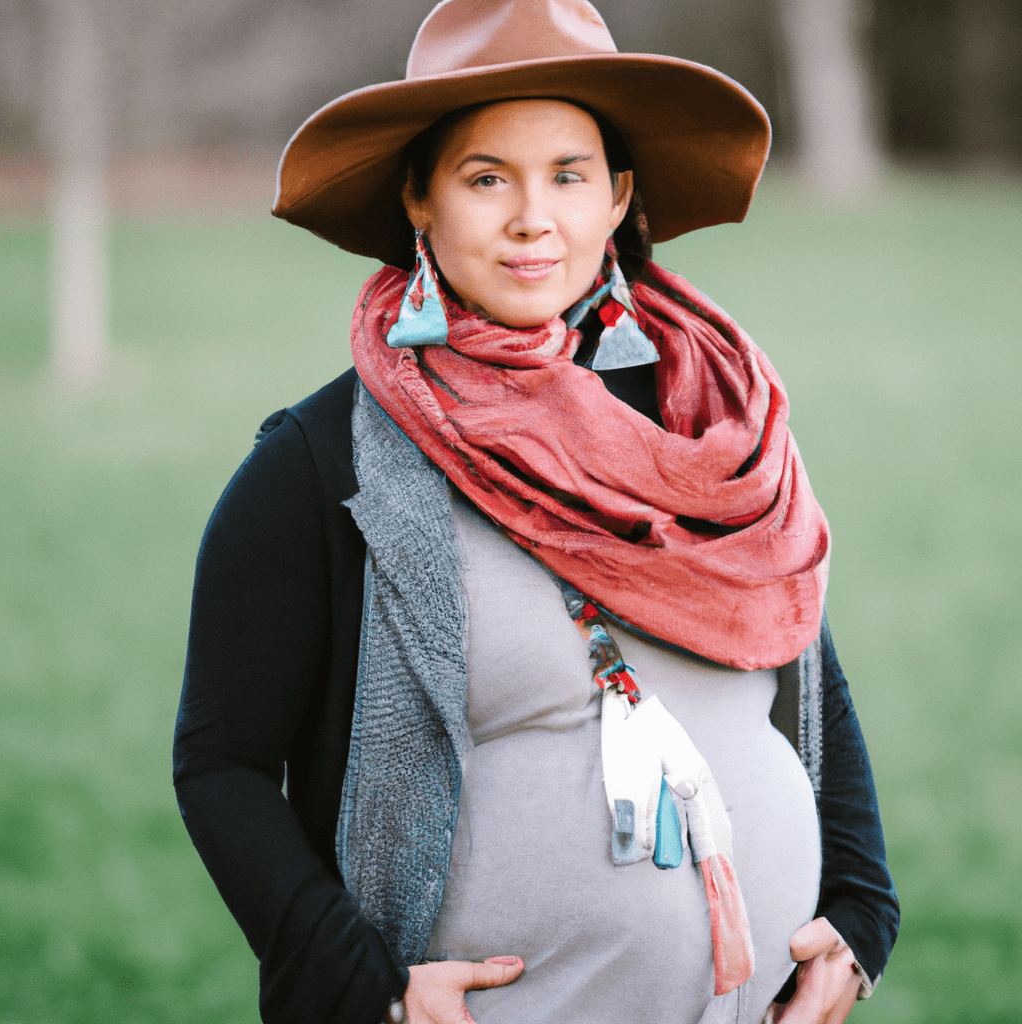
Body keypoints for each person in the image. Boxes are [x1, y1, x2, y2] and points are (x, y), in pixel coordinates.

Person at [172, 1, 899, 1022]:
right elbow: (220, 762)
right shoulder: (320, 464)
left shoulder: (712, 429)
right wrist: (365, 987)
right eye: (484, 178)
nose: (532, 219)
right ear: (417, 199)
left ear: (618, 198)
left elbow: (797, 649)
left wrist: (862, 917)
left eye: (568, 174)